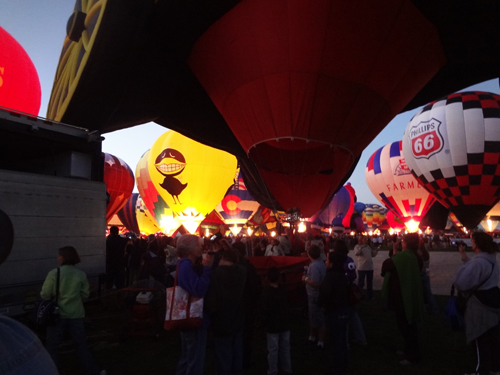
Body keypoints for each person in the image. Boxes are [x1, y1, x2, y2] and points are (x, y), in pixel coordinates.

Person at [41, 246, 105, 375]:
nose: (58, 257)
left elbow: (45, 294)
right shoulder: (80, 274)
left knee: (52, 347)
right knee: (81, 345)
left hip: (56, 316)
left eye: (60, 255)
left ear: (64, 257)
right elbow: (85, 295)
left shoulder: (54, 273)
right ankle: (93, 371)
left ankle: (52, 371)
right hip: (76, 314)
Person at [454, 232, 500, 375]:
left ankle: (481, 371)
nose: (471, 243)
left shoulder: (479, 262)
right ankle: (494, 368)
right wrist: (463, 255)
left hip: (479, 305)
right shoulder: (492, 260)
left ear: (477, 244)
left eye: (473, 241)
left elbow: (462, 283)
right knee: (493, 338)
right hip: (492, 301)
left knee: (479, 338)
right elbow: (477, 271)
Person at [381, 233, 424, 365]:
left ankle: (412, 356)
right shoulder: (416, 256)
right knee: (409, 325)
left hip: (402, 295)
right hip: (410, 292)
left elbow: (386, 266)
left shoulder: (404, 256)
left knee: (406, 326)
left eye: (403, 241)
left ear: (405, 243)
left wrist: (395, 252)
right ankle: (408, 350)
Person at [175, 234, 213, 375]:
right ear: (189, 249)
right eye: (198, 244)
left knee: (188, 356)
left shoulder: (186, 265)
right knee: (194, 359)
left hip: (189, 317)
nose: (201, 247)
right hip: (192, 319)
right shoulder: (185, 266)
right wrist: (207, 269)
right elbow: (198, 290)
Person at [205, 247, 246, 375]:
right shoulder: (242, 272)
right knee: (237, 352)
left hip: (221, 319)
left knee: (223, 355)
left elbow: (212, 297)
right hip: (237, 317)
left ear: (223, 259)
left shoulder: (217, 274)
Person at [318, 251, 355, 375]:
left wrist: (320, 304)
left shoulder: (331, 276)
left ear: (332, 263)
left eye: (327, 260)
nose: (325, 262)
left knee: (336, 341)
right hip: (344, 310)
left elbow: (324, 293)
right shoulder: (342, 275)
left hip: (334, 311)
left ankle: (337, 367)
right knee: (343, 340)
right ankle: (344, 364)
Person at [233, 241, 262, 369]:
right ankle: (244, 359)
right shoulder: (248, 268)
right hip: (247, 305)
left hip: (240, 306)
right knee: (245, 335)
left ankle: (240, 359)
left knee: (241, 334)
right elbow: (256, 287)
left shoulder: (233, 269)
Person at [259, 267, 292, 375]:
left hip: (272, 326)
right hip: (284, 324)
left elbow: (264, 311)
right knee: (285, 348)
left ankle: (273, 371)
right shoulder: (284, 291)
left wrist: (262, 323)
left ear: (267, 278)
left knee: (273, 350)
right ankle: (287, 369)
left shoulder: (266, 294)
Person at [302, 244, 327, 349]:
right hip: (317, 294)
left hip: (314, 295)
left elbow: (316, 283)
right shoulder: (320, 263)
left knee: (318, 318)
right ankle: (312, 337)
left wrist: (305, 279)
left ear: (309, 254)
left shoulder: (314, 266)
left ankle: (320, 341)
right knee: (313, 316)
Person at [353, 234, 378, 300]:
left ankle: (369, 295)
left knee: (369, 282)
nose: (366, 239)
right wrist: (361, 247)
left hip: (369, 267)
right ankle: (359, 296)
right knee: (361, 282)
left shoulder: (368, 247)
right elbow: (356, 253)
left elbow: (372, 254)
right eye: (363, 238)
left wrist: (376, 251)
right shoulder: (357, 246)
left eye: (365, 238)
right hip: (362, 268)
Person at [105, 226, 127, 290]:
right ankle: (120, 296)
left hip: (110, 264)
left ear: (110, 232)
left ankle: (108, 297)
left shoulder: (108, 241)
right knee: (120, 284)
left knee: (109, 283)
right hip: (121, 264)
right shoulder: (124, 241)